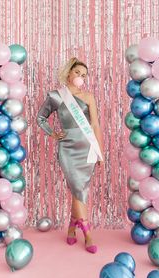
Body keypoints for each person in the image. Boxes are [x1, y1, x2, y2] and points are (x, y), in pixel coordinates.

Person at [37, 57, 104, 253]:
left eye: (84, 75)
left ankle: (72, 227)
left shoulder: (89, 97)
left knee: (80, 190)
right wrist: (52, 132)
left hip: (87, 148)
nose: (81, 77)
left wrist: (101, 153)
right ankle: (88, 233)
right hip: (67, 148)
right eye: (77, 73)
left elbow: (95, 126)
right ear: (68, 73)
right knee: (76, 186)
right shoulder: (56, 96)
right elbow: (41, 117)